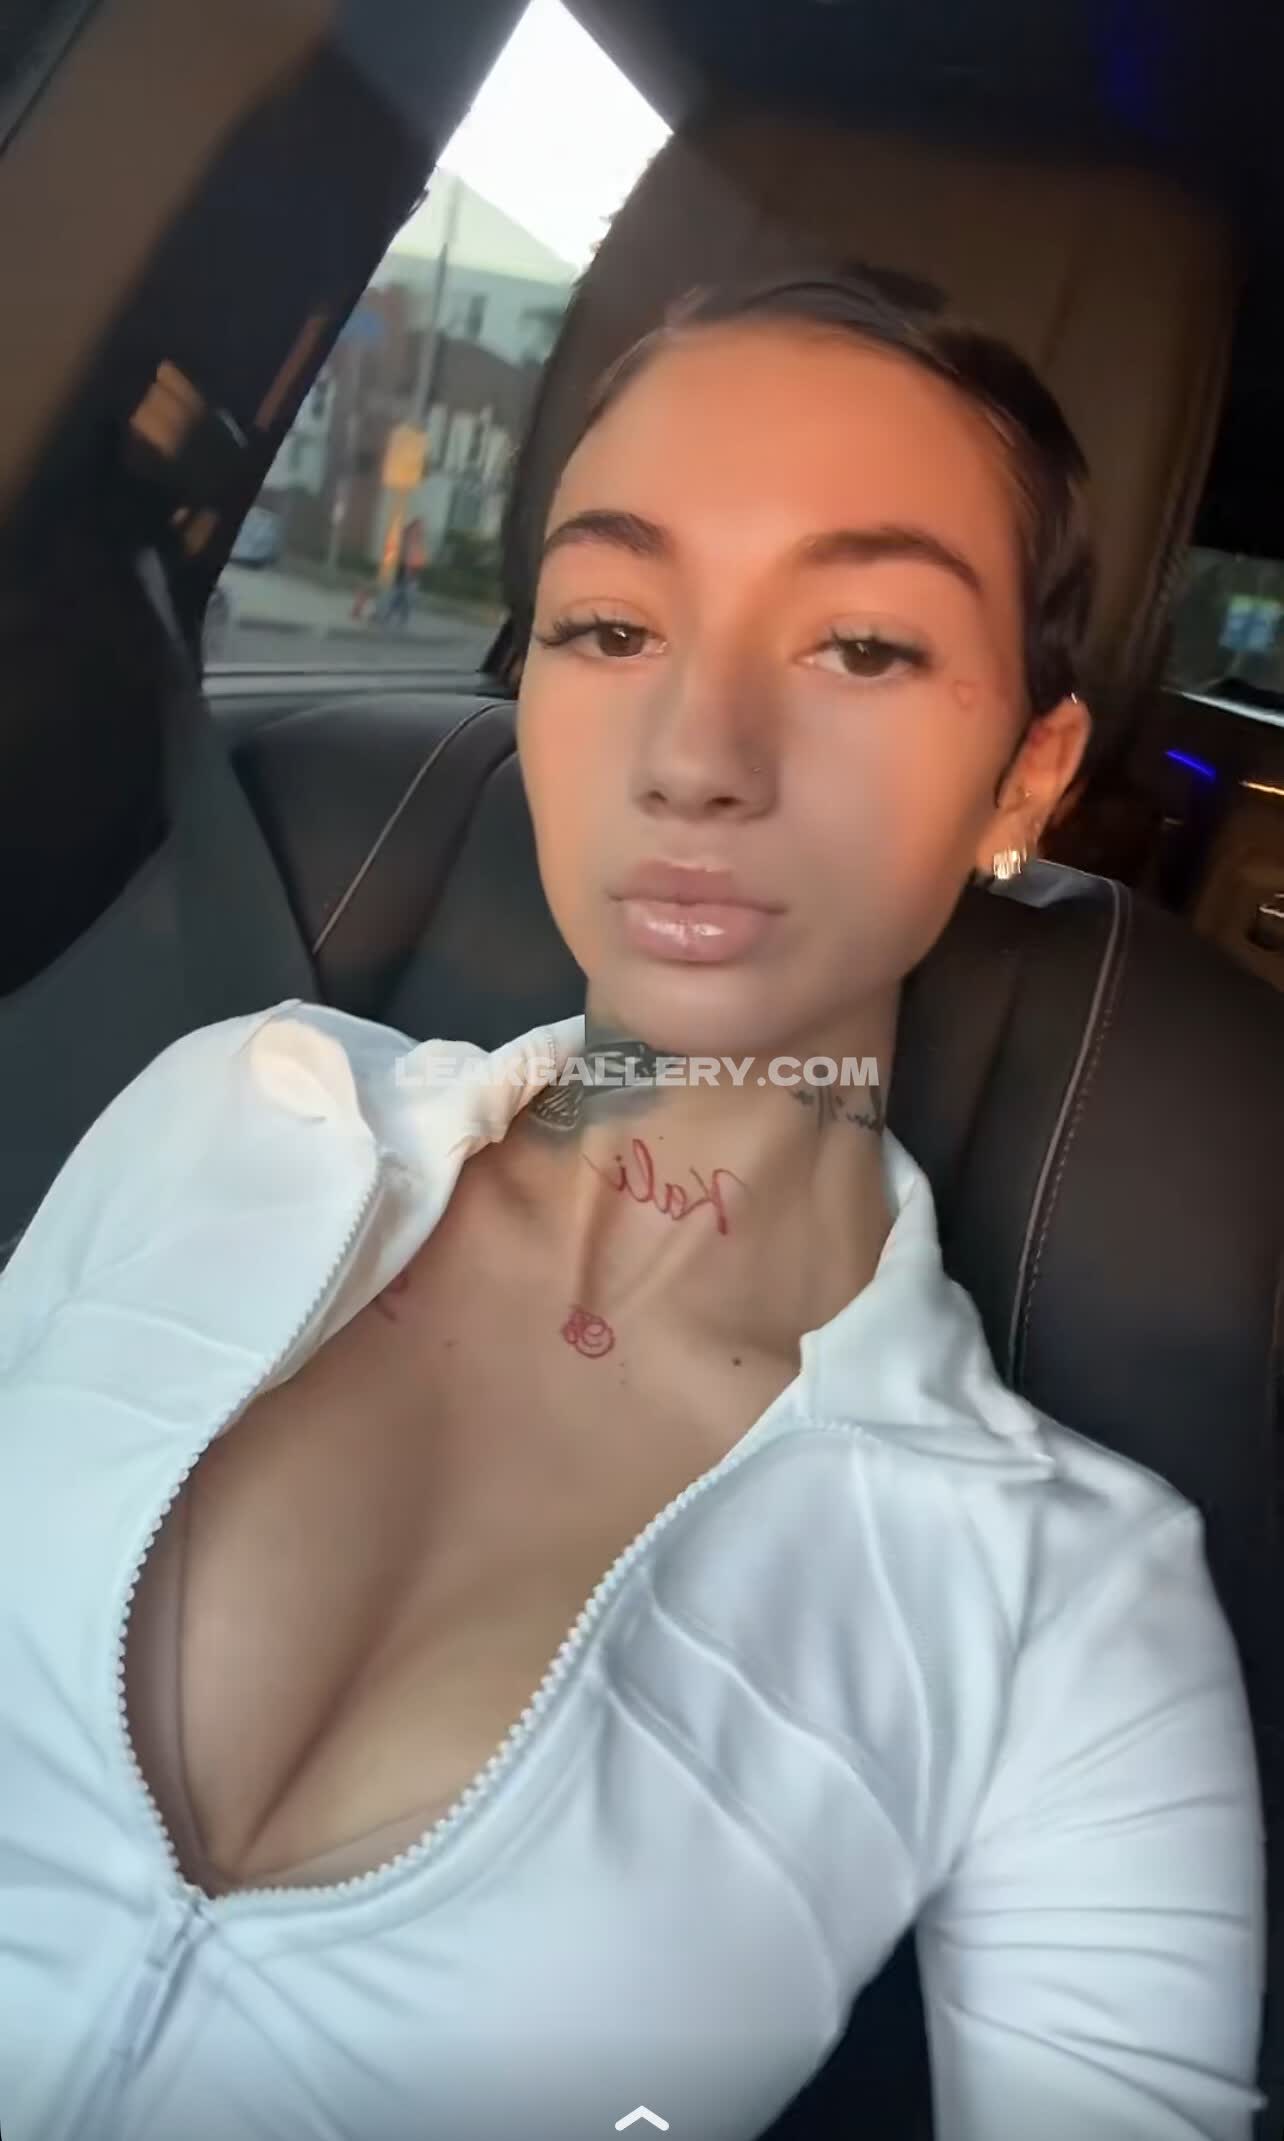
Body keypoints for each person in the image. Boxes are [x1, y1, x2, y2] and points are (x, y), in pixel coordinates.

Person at [0, 267, 1265, 2141]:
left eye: (861, 648)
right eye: (608, 623)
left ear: (1029, 776)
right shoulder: (229, 1106)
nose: (694, 757)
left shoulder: (1065, 1606)